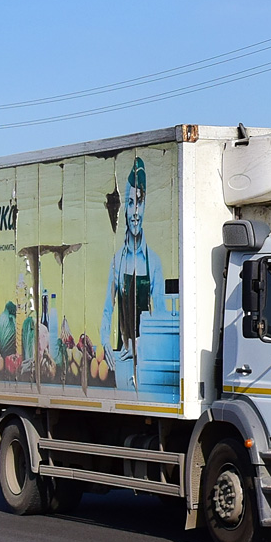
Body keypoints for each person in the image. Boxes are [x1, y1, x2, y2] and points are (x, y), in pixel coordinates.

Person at [100, 157, 166, 388]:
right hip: (123, 358)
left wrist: (140, 342)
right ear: (124, 209)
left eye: (139, 202)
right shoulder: (117, 261)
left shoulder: (154, 263)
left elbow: (160, 317)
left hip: (147, 359)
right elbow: (108, 307)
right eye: (130, 203)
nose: (135, 212)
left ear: (145, 206)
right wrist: (105, 340)